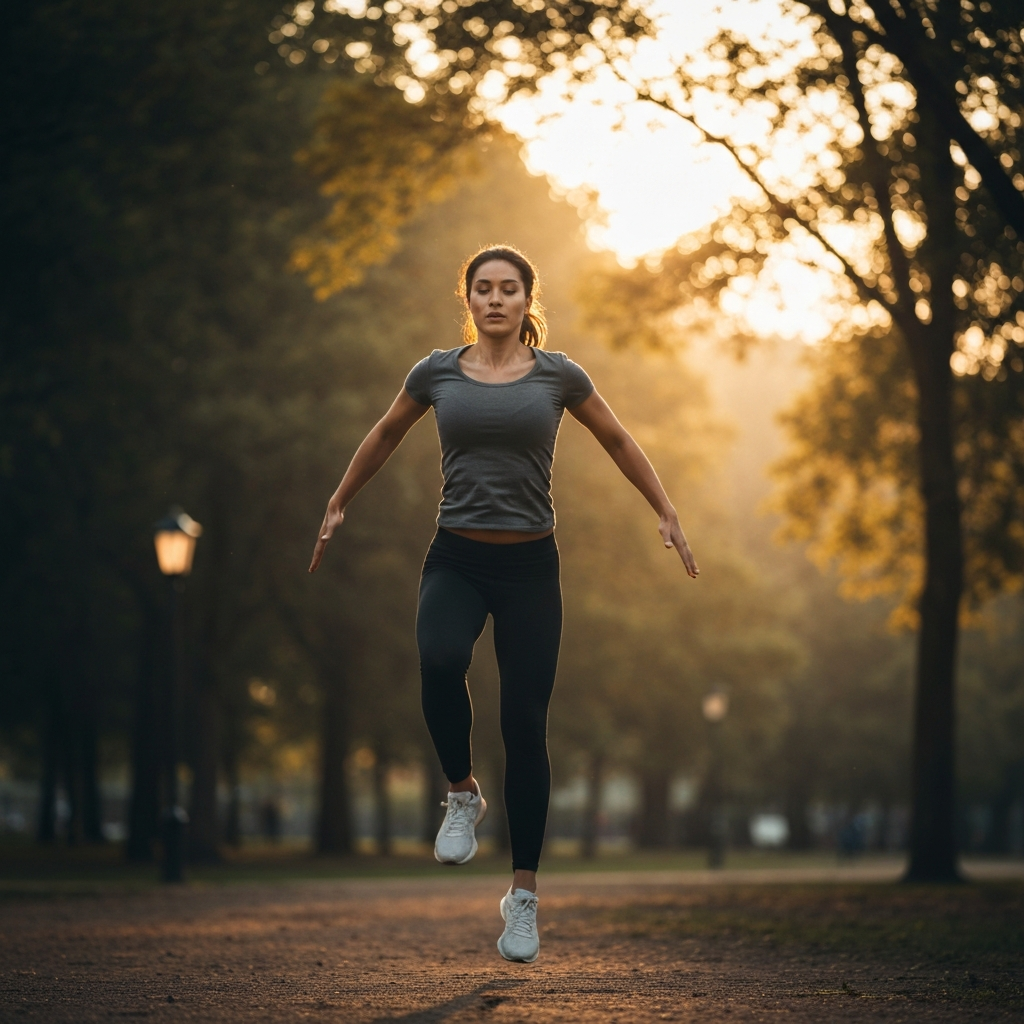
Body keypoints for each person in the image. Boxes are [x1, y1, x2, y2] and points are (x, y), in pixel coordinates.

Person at [309, 245, 698, 963]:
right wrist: (338, 501)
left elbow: (615, 436)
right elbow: (386, 432)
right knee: (438, 657)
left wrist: (665, 508)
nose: (495, 299)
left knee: (525, 725)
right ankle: (462, 792)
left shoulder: (558, 375)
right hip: (456, 557)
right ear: (470, 300)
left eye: (508, 289)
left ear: (527, 302)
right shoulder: (435, 372)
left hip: (530, 568)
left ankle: (523, 899)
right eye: (483, 289)